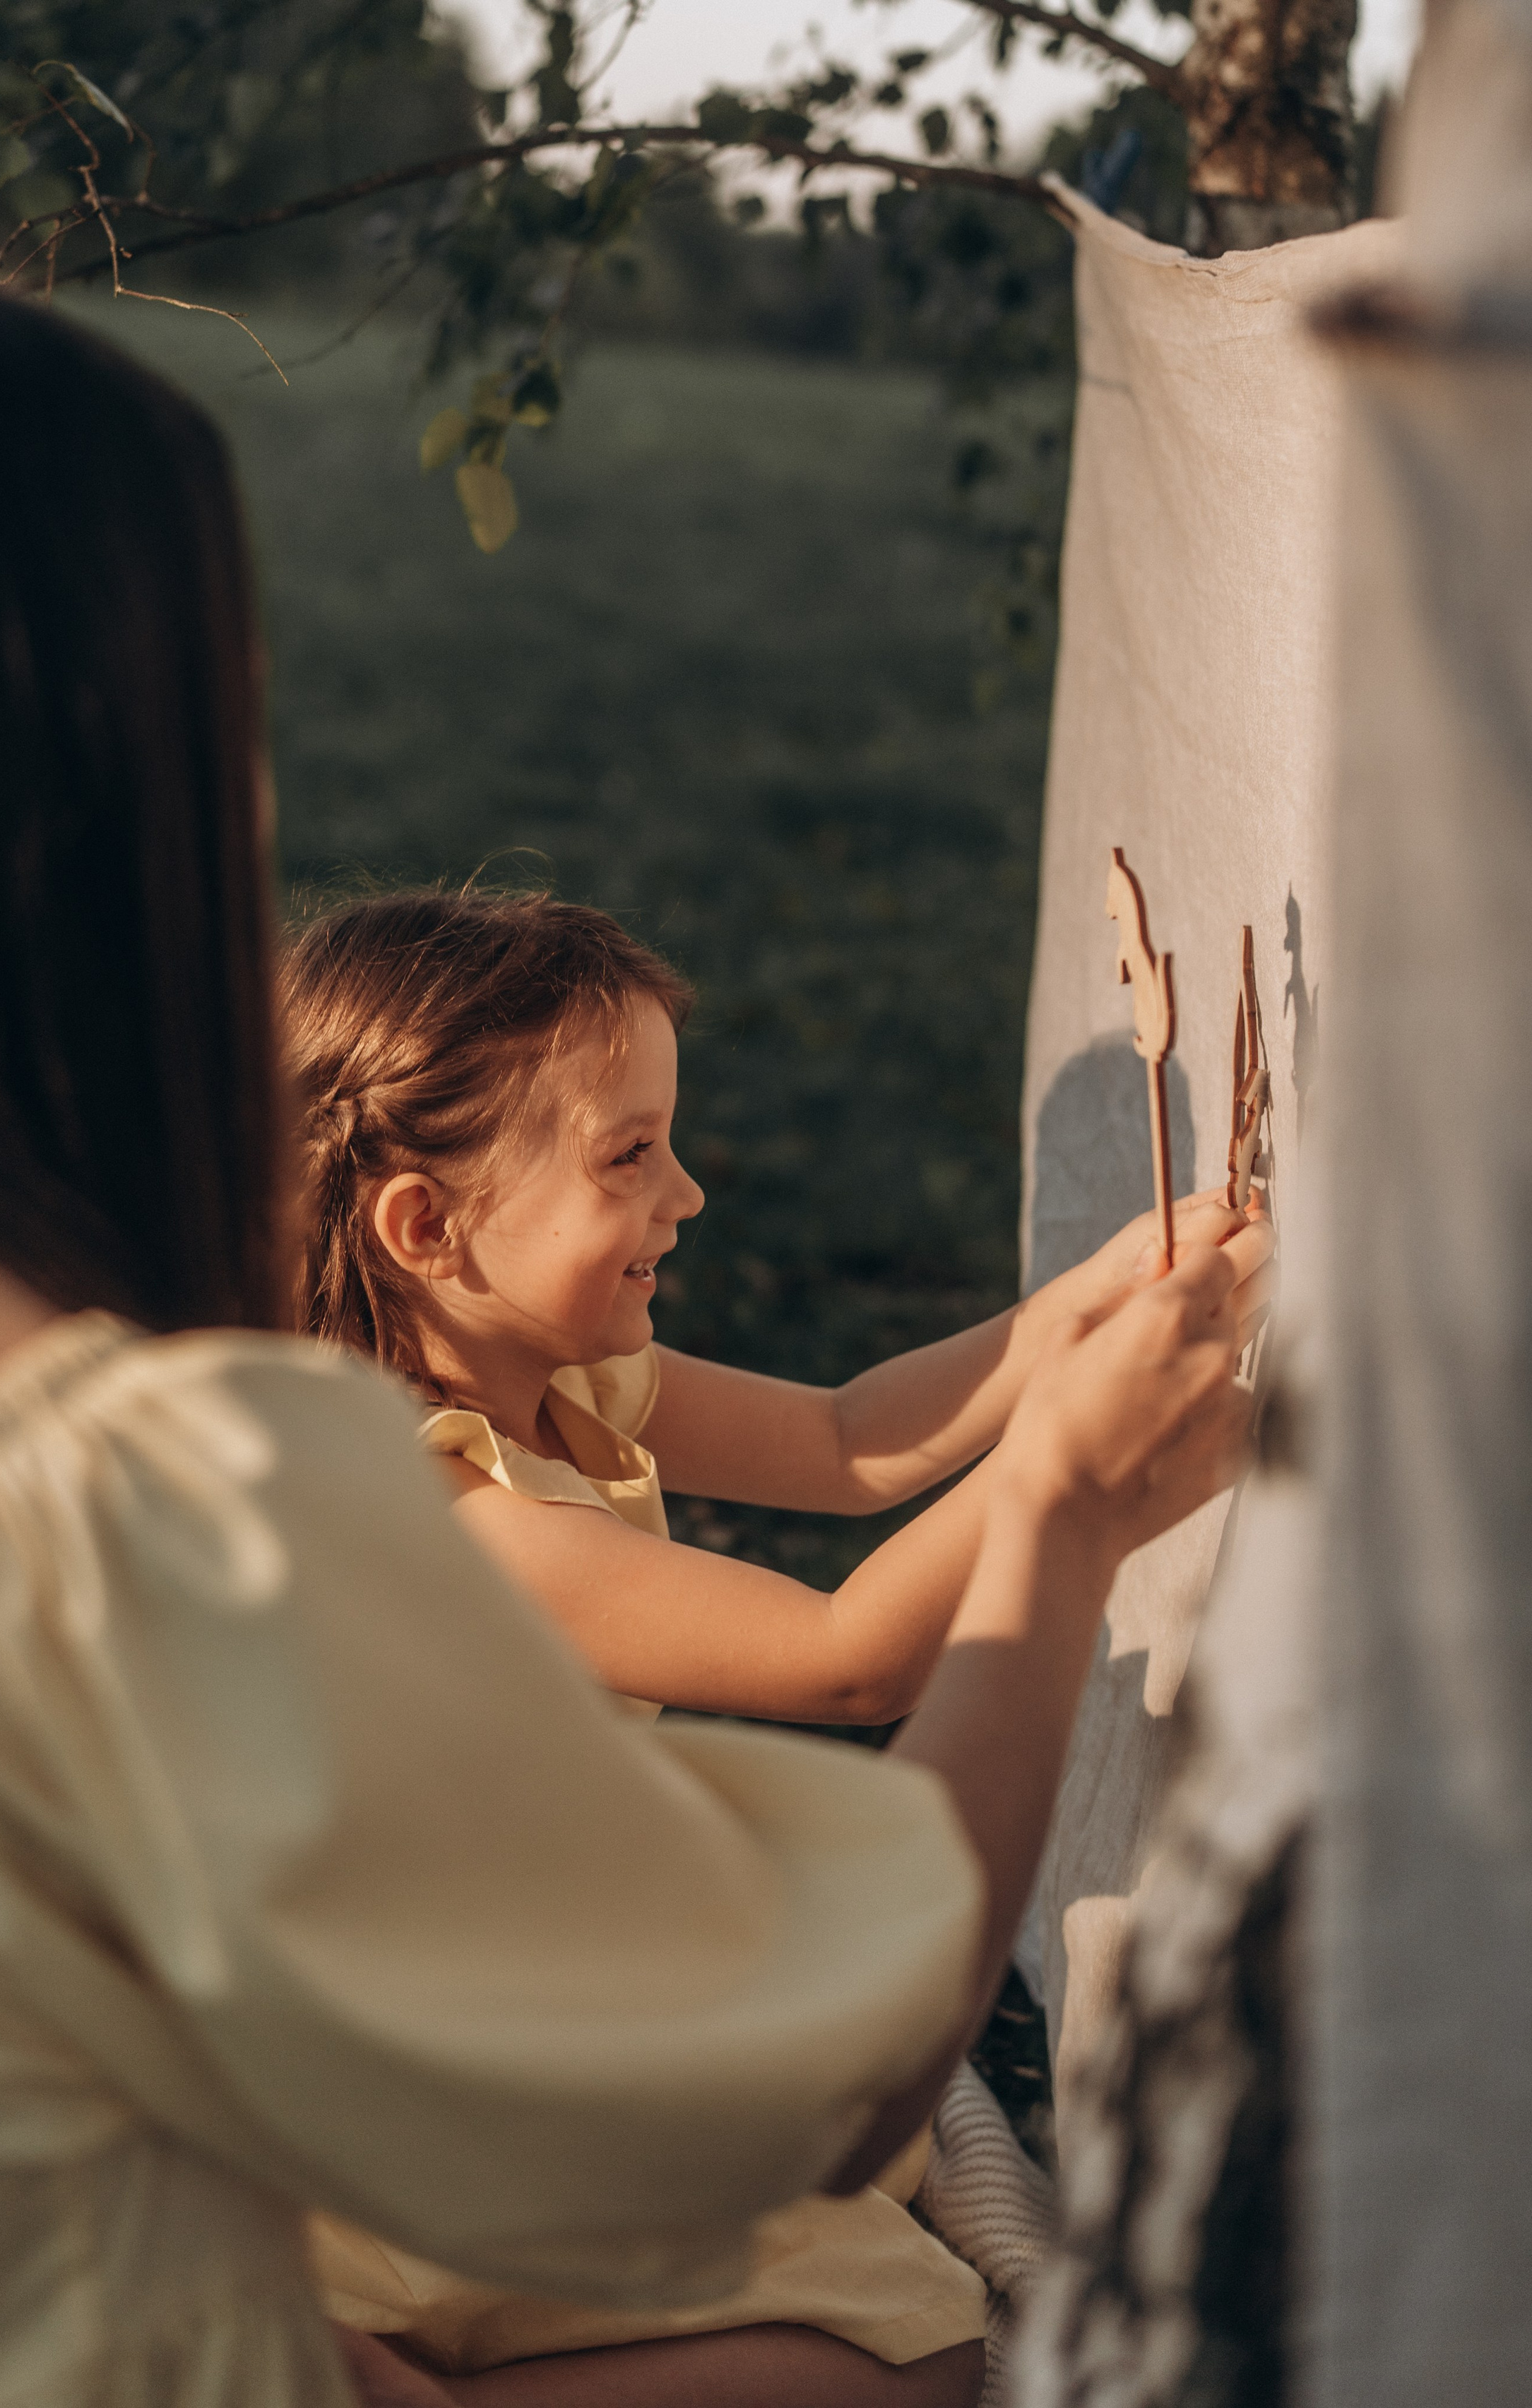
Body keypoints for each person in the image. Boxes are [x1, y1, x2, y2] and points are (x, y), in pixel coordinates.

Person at [0, 280, 1264, 2408]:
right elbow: (802, 2070)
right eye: (225, 742)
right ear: (102, 823)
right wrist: (1073, 1503)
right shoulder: (161, 1505)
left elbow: (832, 1433)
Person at [283, 889, 1271, 2399]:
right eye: (631, 1156)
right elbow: (847, 1660)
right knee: (916, 2357)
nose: (686, 1195)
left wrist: (1100, 1292)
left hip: (537, 1980)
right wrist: (1076, 1458)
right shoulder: (449, 1524)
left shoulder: (559, 1376)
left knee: (896, 2297)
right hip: (427, 2102)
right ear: (425, 1228)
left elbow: (849, 1436)